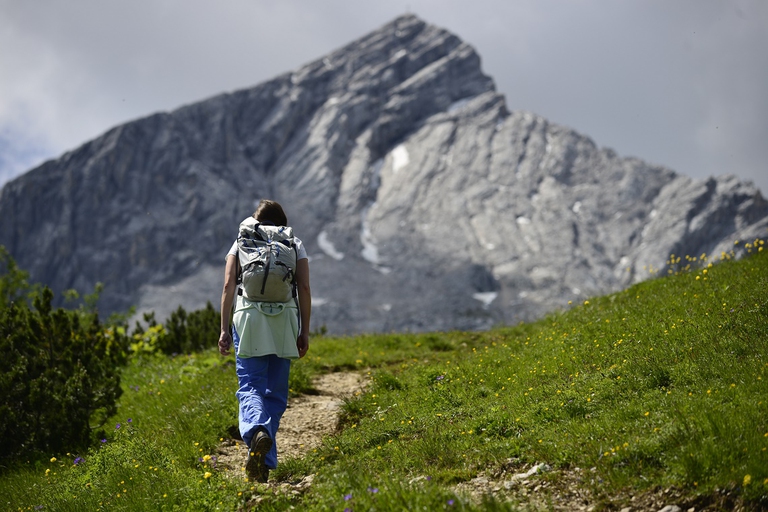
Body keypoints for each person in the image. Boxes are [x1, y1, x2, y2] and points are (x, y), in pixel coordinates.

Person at [218, 199, 311, 483]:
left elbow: (228, 286)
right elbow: (304, 288)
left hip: (248, 319)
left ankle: (256, 431)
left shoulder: (241, 242)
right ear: (282, 220)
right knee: (275, 393)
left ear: (256, 220)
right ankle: (264, 461)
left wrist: (224, 329)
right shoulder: (294, 243)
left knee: (250, 386)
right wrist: (304, 331)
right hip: (283, 322)